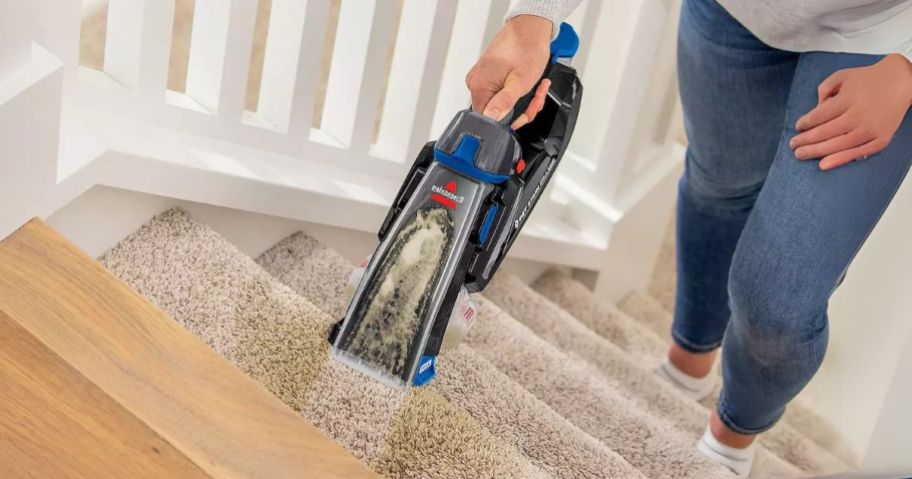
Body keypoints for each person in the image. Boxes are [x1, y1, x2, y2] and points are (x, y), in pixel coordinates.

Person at [466, 0, 912, 475]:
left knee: (778, 302)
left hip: (881, 38)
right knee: (718, 188)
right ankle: (687, 367)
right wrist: (533, 16)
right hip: (733, 13)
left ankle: (730, 440)